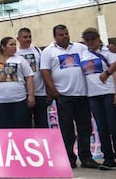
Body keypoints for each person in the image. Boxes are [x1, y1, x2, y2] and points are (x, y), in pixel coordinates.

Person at [40, 24, 100, 169]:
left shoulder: (80, 48)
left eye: (66, 33)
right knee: (67, 129)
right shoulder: (49, 51)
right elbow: (45, 71)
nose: (65, 36)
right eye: (61, 34)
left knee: (85, 128)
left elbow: (95, 53)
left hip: (82, 94)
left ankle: (86, 158)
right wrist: (52, 90)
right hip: (63, 96)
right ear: (55, 37)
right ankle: (69, 159)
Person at [79, 27, 116, 169]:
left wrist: (106, 73)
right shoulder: (83, 53)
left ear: (98, 38)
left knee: (113, 126)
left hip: (108, 92)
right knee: (102, 128)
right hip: (93, 95)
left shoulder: (108, 51)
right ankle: (108, 159)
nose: (90, 42)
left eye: (93, 39)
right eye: (87, 40)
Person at [0, 37, 35, 128]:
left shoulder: (20, 60)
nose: (14, 47)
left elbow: (29, 77)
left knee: (21, 127)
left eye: (15, 44)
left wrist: (31, 95)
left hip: (19, 100)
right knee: (5, 128)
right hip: (0, 101)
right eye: (11, 44)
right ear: (3, 47)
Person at [16, 27, 48, 128]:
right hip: (22, 95)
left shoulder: (38, 51)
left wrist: (48, 91)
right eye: (25, 37)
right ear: (18, 39)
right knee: (25, 124)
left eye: (30, 37)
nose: (28, 39)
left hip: (40, 93)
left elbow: (44, 70)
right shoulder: (15, 53)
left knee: (42, 123)